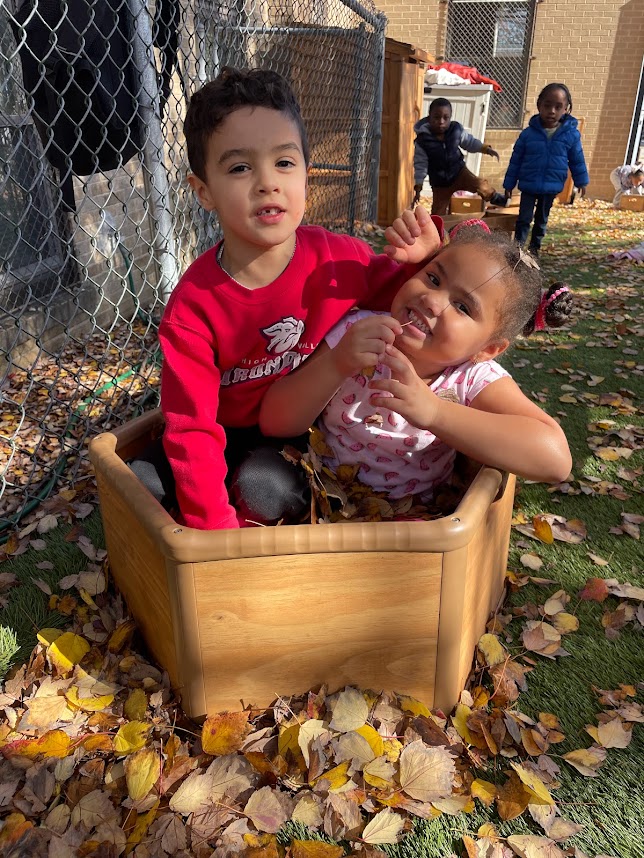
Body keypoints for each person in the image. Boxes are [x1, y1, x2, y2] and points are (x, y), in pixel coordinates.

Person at [153, 67, 442, 531]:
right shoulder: (193, 308)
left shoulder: (335, 257)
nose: (267, 182)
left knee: (268, 489)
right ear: (204, 191)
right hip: (221, 430)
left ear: (307, 174)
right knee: (145, 483)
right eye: (240, 167)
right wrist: (215, 537)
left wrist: (419, 263)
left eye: (284, 163)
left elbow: (396, 295)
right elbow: (191, 427)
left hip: (303, 430)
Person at [259, 220, 573, 501]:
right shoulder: (355, 331)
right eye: (434, 278)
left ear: (488, 349)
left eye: (463, 307)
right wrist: (337, 363)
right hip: (319, 494)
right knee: (261, 483)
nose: (432, 300)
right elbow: (275, 422)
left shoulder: (470, 376)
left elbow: (555, 459)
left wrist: (435, 411)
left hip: (414, 525)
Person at [503, 83, 589, 256]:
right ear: (539, 106)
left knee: (541, 221)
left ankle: (534, 251)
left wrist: (581, 181)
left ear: (566, 109)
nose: (552, 111)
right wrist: (509, 184)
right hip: (528, 184)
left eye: (558, 107)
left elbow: (577, 159)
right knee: (524, 220)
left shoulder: (570, 135)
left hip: (551, 186)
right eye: (547, 105)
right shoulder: (528, 134)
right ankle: (517, 250)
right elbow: (515, 161)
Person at [412, 97, 508, 215]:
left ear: (450, 118)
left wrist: (485, 149)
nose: (441, 121)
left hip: (460, 173)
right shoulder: (422, 140)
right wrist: (418, 186)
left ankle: (497, 199)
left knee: (481, 185)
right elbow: (420, 163)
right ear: (429, 117)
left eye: (445, 118)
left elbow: (469, 142)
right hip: (439, 182)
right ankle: (438, 230)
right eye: (436, 117)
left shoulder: (455, 130)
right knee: (438, 212)